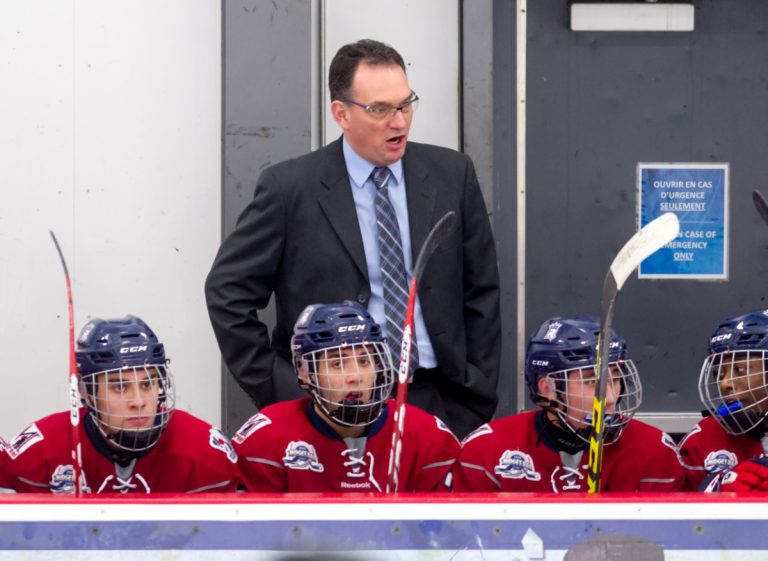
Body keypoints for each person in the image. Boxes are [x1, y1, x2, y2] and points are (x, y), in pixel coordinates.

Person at [205, 38, 500, 439]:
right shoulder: (290, 189)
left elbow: (480, 289)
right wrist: (285, 392)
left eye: (405, 104)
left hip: (439, 404)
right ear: (341, 114)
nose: (399, 121)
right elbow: (228, 293)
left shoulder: (453, 174)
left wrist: (473, 393)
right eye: (379, 109)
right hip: (329, 410)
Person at [232, 301, 460, 492]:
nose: (355, 376)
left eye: (364, 361)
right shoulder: (267, 441)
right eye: (337, 363)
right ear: (306, 372)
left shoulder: (426, 437)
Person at [5, 315, 242, 494]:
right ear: (86, 392)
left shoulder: (202, 452)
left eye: (148, 385)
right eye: (119, 387)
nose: (138, 401)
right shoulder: (40, 453)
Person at [453, 315, 685, 493]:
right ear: (548, 388)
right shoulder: (486, 451)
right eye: (592, 382)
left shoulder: (654, 451)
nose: (611, 398)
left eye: (615, 378)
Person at [677, 309, 768, 491]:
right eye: (719, 373)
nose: (725, 383)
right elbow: (680, 513)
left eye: (741, 370)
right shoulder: (702, 439)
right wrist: (716, 487)